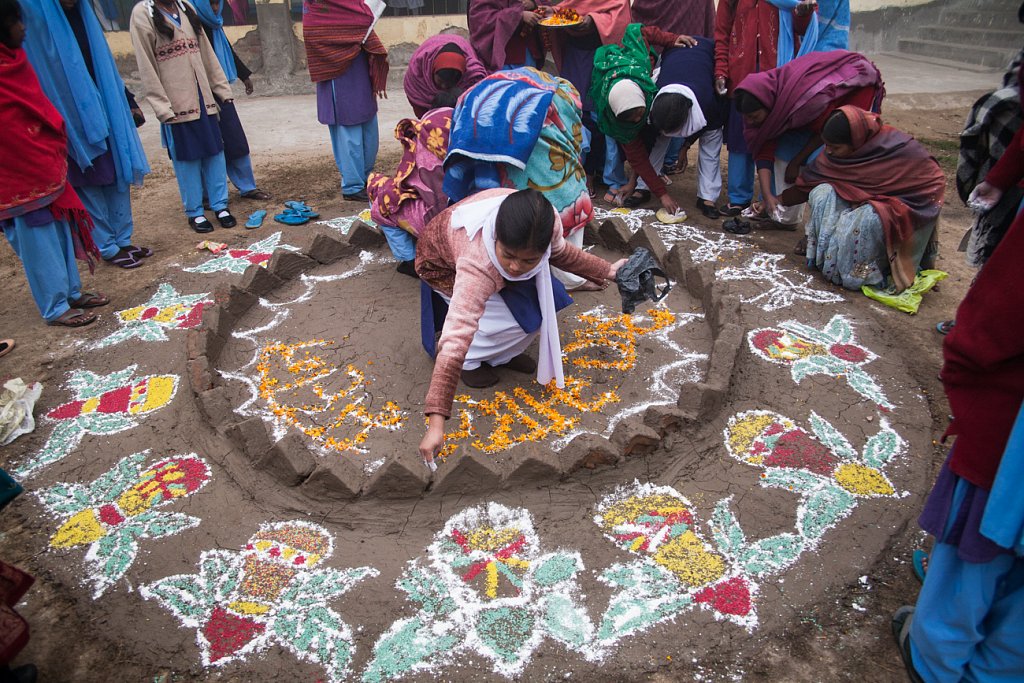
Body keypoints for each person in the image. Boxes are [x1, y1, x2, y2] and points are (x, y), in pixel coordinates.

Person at [891, 211, 1024, 682]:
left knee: (978, 549)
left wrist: (966, 389)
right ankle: (998, 671)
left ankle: (936, 660)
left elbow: (991, 324)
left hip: (1010, 448)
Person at [416, 188, 625, 464]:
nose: (515, 267)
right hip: (442, 265)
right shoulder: (477, 263)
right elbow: (457, 336)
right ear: (496, 237)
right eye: (509, 255)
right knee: (504, 322)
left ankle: (501, 356)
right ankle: (474, 363)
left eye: (529, 260)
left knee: (537, 310)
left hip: (481, 258)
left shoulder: (546, 221)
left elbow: (562, 253)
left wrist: (609, 271)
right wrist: (436, 425)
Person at [20, 0, 152, 269]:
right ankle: (106, 245)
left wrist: (127, 100)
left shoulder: (85, 17)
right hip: (70, 114)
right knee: (90, 179)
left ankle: (122, 238)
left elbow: (104, 66)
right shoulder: (36, 20)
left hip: (107, 107)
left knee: (117, 171)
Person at [1, 0, 106, 327]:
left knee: (60, 228)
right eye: (17, 21)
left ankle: (71, 291)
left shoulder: (16, 60)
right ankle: (55, 305)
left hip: (42, 159)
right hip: (15, 172)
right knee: (38, 239)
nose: (24, 28)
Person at [444, 67, 596, 290]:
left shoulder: (557, 99)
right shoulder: (555, 99)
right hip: (529, 178)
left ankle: (564, 278)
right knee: (561, 203)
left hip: (545, 165)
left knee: (559, 203)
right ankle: (563, 279)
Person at [777, 106, 943, 293]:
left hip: (897, 205)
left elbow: (931, 185)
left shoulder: (898, 149)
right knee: (822, 193)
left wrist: (872, 200)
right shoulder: (836, 154)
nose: (829, 152)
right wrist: (776, 201)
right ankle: (827, 262)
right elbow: (808, 183)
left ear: (855, 142)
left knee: (867, 219)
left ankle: (864, 274)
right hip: (856, 198)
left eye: (836, 147)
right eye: (827, 146)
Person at [735, 49, 883, 226]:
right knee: (783, 152)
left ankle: (815, 230)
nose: (750, 121)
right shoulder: (767, 99)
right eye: (747, 118)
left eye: (754, 117)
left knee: (828, 164)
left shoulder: (807, 101)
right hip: (816, 116)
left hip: (855, 87)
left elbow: (827, 131)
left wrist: (797, 161)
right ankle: (786, 219)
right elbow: (764, 148)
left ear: (768, 107)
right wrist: (767, 195)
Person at [130, 0, 238, 232]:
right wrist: (161, 107)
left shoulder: (186, 8)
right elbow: (146, 64)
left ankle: (220, 205)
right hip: (177, 100)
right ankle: (195, 212)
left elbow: (207, 53)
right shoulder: (142, 14)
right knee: (187, 159)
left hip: (204, 97)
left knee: (215, 152)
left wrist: (220, 89)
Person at [714, 0, 817, 217]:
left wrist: (802, 14)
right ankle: (738, 198)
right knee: (740, 137)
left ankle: (766, 199)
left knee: (774, 137)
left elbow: (804, 28)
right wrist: (721, 70)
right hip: (741, 73)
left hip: (779, 75)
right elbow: (722, 31)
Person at [589, 22, 697, 214]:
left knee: (654, 131)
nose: (639, 120)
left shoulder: (640, 64)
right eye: (632, 120)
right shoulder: (617, 122)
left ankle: (642, 180)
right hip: (614, 92)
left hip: (637, 79)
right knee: (621, 146)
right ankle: (625, 180)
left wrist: (671, 39)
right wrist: (662, 194)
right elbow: (637, 157)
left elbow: (637, 31)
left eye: (641, 113)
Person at [544, 0, 631, 205]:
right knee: (573, 114)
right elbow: (569, 5)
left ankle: (610, 177)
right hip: (575, 56)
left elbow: (620, 16)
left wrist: (594, 20)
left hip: (602, 57)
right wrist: (555, 11)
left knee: (605, 119)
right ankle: (578, 174)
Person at [631, 36, 727, 219]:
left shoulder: (709, 102)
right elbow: (647, 143)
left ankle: (707, 197)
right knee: (658, 141)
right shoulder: (654, 95)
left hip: (706, 56)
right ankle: (643, 187)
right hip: (674, 55)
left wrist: (685, 146)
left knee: (710, 147)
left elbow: (707, 128)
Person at [303, 0, 388, 203]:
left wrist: (359, 27)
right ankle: (352, 185)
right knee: (348, 130)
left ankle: (366, 178)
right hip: (336, 68)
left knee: (368, 125)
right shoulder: (317, 5)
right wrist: (355, 28)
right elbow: (313, 32)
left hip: (359, 63)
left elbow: (364, 15)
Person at [193, 0, 271, 201]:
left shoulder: (215, 25)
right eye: (210, 5)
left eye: (217, 4)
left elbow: (228, 51)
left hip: (220, 91)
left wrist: (244, 75)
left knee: (235, 140)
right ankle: (207, 194)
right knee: (205, 144)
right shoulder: (190, 24)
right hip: (197, 94)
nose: (215, 9)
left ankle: (247, 186)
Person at [367, 107, 453, 278]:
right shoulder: (469, 142)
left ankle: (410, 260)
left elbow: (404, 181)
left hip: (444, 226)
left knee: (381, 196)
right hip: (477, 221)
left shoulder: (425, 147)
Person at [404, 35, 487, 118]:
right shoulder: (418, 71)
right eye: (440, 81)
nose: (443, 87)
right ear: (433, 71)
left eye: (449, 84)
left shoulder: (473, 77)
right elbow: (415, 98)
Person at [468, 0, 547, 72]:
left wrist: (533, 3)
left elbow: (545, 5)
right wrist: (519, 16)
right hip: (504, 59)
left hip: (531, 54)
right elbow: (481, 20)